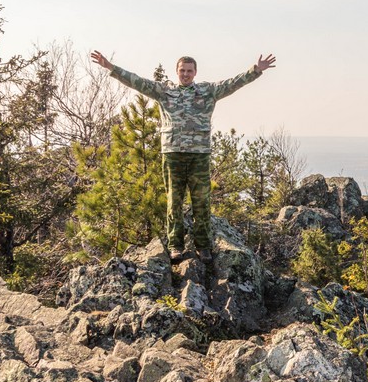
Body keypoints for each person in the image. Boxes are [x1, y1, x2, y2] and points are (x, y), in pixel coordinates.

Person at [90, 50, 277, 264]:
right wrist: (111, 67)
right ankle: (175, 246)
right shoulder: (163, 91)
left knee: (202, 203)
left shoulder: (208, 91)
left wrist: (255, 70)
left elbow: (233, 83)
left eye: (189, 71)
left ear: (195, 72)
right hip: (172, 154)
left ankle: (203, 247)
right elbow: (137, 82)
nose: (185, 74)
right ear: (177, 72)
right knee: (174, 203)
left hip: (199, 155)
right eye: (182, 71)